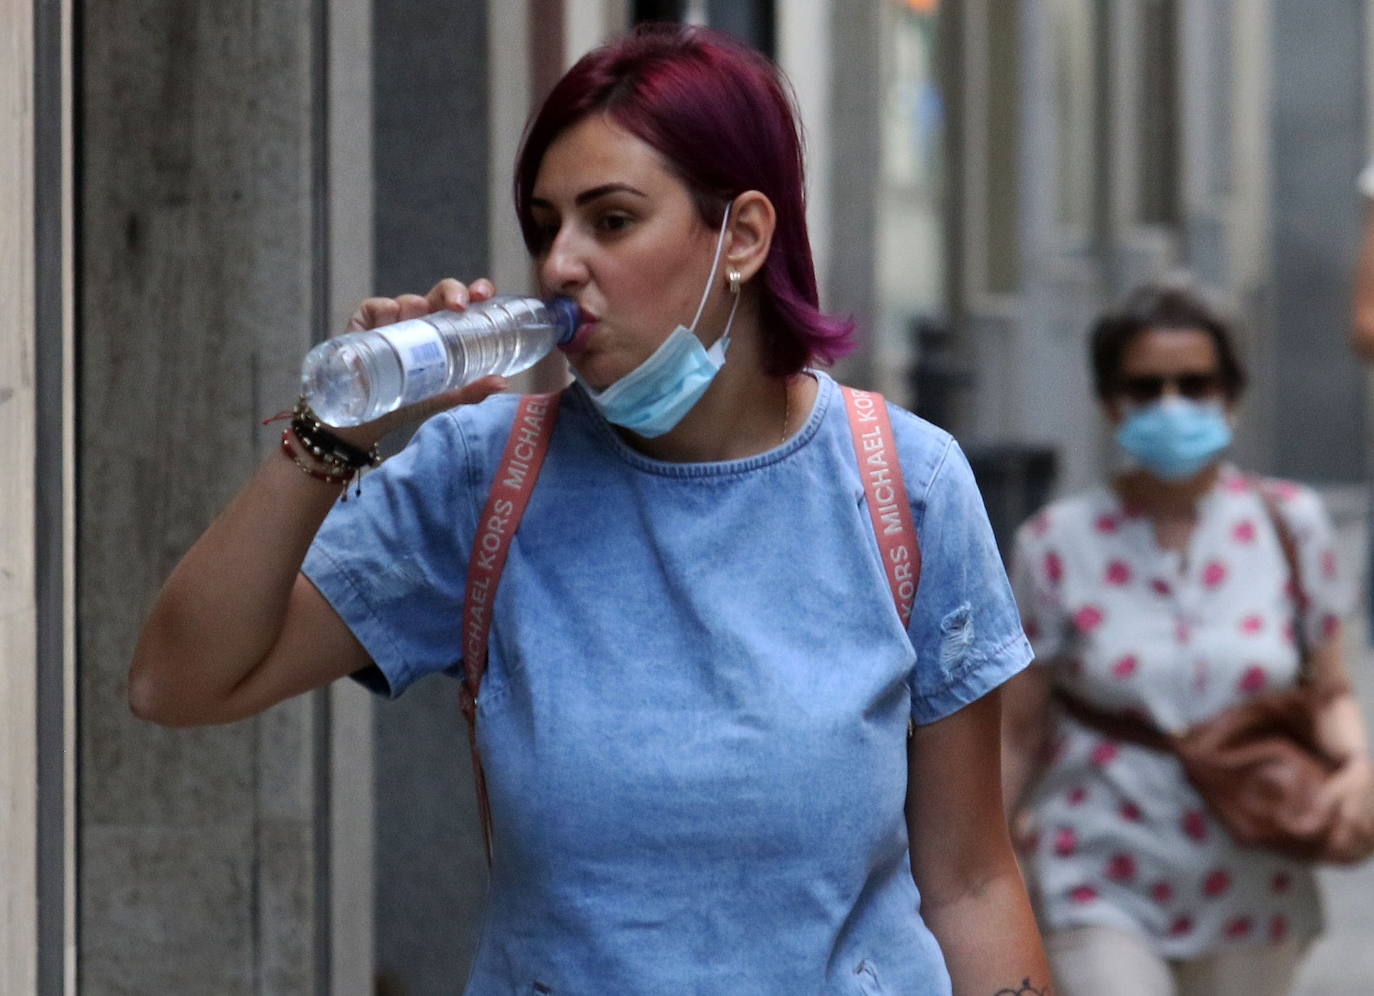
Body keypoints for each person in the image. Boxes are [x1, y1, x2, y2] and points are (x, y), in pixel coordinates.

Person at [130, 23, 1050, 993]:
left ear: (740, 236)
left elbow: (971, 880)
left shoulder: (904, 483)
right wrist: (335, 428)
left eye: (609, 221)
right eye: (544, 225)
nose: (560, 264)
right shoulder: (486, 475)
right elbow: (180, 681)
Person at [1002, 280, 1374, 996]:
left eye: (1195, 383)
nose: (1171, 404)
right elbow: (1018, 730)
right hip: (1098, 870)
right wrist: (984, 865)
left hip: (1253, 874)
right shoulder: (1054, 543)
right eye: (1145, 387)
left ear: (1230, 392)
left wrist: (1355, 766)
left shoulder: (1291, 526)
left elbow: (1329, 689)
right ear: (1112, 402)